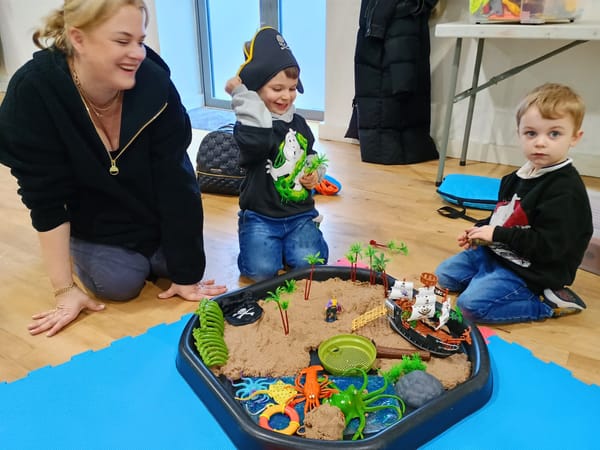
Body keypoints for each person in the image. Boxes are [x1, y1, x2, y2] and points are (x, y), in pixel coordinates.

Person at [0, 0, 226, 337]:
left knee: (179, 264)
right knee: (119, 282)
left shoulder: (154, 82)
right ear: (78, 38)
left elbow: (176, 181)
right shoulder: (33, 93)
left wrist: (186, 275)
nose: (137, 53)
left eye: (140, 40)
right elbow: (45, 199)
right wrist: (64, 290)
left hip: (150, 208)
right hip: (95, 218)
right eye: (122, 41)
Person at [435, 83, 593, 324]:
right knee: (444, 277)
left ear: (575, 137)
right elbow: (503, 216)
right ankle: (487, 282)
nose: (540, 142)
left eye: (554, 134)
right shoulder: (516, 177)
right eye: (531, 133)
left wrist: (496, 234)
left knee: (469, 308)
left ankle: (546, 305)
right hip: (498, 253)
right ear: (519, 133)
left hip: (532, 271)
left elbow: (549, 247)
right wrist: (479, 230)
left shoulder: (565, 191)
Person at [224, 27, 329, 281]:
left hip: (299, 214)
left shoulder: (301, 123)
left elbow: (311, 155)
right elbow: (257, 142)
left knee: (310, 264)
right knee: (260, 272)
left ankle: (299, 237)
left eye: (292, 88)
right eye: (277, 89)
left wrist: (315, 173)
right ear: (256, 88)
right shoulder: (251, 128)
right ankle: (258, 239)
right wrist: (242, 95)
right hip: (261, 216)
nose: (286, 96)